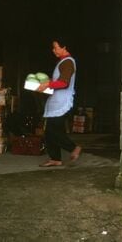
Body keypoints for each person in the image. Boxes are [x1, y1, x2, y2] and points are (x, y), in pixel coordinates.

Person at [37, 37, 81, 167]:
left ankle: (74, 148)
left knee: (52, 131)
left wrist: (48, 85)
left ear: (64, 47)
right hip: (56, 101)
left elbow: (64, 83)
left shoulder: (67, 62)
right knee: (54, 130)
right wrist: (47, 83)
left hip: (62, 102)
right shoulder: (62, 62)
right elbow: (58, 80)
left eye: (55, 47)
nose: (53, 50)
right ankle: (55, 158)